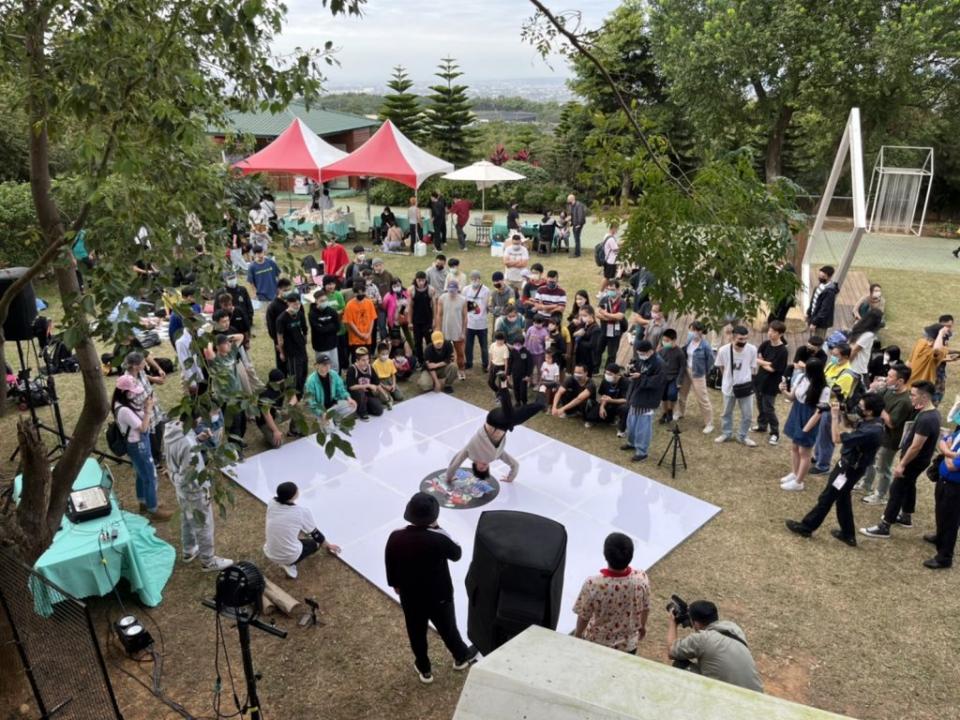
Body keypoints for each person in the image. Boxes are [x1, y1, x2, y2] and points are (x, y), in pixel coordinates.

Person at [384, 493, 478, 684]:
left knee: (416, 632)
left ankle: (424, 668)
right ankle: (461, 657)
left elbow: (390, 563)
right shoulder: (439, 538)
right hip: (439, 595)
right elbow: (457, 554)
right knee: (448, 628)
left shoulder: (395, 536)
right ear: (434, 516)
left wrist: (395, 584)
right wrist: (438, 528)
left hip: (410, 596)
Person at [786, 393, 885, 545]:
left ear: (870, 411)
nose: (858, 408)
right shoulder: (872, 422)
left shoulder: (871, 431)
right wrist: (841, 412)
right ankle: (848, 534)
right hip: (850, 465)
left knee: (827, 497)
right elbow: (850, 425)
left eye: (861, 407)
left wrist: (833, 417)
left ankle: (806, 527)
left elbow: (836, 439)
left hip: (848, 470)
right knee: (842, 499)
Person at [862, 380, 941, 539]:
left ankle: (885, 525)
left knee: (896, 489)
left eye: (913, 395)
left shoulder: (926, 419)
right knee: (909, 485)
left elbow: (916, 446)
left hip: (914, 460)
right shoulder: (932, 413)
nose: (910, 397)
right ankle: (906, 516)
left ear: (924, 397)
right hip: (920, 460)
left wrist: (902, 464)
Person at [163, 416, 233, 570]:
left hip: (182, 490)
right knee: (204, 524)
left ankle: (189, 550)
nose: (201, 421)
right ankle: (208, 561)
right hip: (193, 490)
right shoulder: (188, 445)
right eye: (199, 418)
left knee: (187, 518)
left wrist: (198, 439)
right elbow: (189, 476)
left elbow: (182, 449)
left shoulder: (173, 428)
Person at [445, 385, 542, 484]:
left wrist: (449, 477)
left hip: (494, 420)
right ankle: (543, 389)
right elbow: (515, 464)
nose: (484, 465)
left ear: (475, 465)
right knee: (537, 406)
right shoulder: (497, 454)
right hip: (506, 424)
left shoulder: (470, 451)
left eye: (481, 467)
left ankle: (503, 387)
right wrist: (510, 478)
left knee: (509, 417)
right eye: (485, 467)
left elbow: (456, 461)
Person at [573, 532, 650, 654]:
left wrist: (577, 635)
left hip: (596, 642)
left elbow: (584, 615)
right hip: (628, 645)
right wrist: (642, 626)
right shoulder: (641, 579)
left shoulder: (593, 584)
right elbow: (645, 608)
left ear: (605, 555)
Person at [667, 600, 763, 693]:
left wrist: (673, 623)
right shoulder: (734, 629)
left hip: (730, 698)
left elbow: (672, 651)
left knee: (680, 664)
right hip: (757, 696)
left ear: (695, 624)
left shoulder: (702, 638)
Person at [113, 375, 172, 521]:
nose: (136, 394)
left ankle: (144, 502)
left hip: (136, 444)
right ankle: (153, 509)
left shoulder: (123, 403)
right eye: (133, 391)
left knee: (141, 474)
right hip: (138, 445)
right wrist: (148, 410)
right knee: (150, 476)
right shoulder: (124, 410)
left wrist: (146, 406)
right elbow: (143, 428)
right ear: (125, 393)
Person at [263, 481, 341, 580]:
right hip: (288, 556)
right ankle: (289, 565)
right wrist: (329, 545)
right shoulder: (301, 512)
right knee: (315, 544)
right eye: (297, 490)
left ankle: (286, 560)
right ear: (293, 496)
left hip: (269, 551)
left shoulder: (271, 503)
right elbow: (315, 534)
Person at [860, 364, 914, 505]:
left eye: (890, 377)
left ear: (900, 381)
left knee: (883, 467)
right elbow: (873, 400)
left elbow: (891, 423)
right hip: (878, 433)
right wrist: (873, 389)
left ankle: (881, 495)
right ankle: (866, 483)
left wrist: (879, 407)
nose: (887, 379)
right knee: (870, 460)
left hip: (890, 439)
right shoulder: (889, 391)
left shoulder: (904, 401)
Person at [780, 359, 830, 492]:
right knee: (794, 446)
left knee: (804, 451)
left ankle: (799, 482)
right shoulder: (802, 378)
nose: (804, 371)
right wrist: (783, 390)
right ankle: (795, 472)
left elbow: (819, 413)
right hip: (796, 412)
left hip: (809, 418)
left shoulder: (824, 389)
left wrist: (806, 429)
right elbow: (792, 397)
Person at [810, 342, 858, 475]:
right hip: (822, 403)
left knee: (826, 436)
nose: (832, 357)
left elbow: (834, 392)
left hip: (832, 409)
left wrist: (819, 386)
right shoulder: (833, 364)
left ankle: (823, 465)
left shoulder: (847, 374)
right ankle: (817, 456)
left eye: (836, 355)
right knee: (820, 432)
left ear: (846, 357)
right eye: (832, 354)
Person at [622, 341, 666, 461]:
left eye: (642, 353)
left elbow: (657, 382)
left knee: (643, 427)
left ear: (650, 351)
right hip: (636, 395)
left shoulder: (659, 364)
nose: (640, 355)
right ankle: (631, 443)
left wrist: (640, 377)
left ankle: (642, 452)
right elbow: (636, 370)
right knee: (631, 423)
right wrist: (630, 371)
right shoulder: (641, 359)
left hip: (647, 399)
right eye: (638, 353)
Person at [714, 325, 758, 446]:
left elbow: (753, 368)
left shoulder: (752, 349)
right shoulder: (723, 350)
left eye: (745, 339)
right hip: (729, 386)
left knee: (748, 414)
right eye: (740, 339)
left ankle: (742, 436)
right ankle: (726, 433)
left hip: (746, 387)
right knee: (727, 412)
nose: (743, 342)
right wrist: (728, 379)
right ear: (733, 338)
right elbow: (721, 367)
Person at [924, 428, 960, 569]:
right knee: (941, 512)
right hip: (944, 481)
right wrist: (950, 451)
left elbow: (952, 466)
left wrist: (946, 451)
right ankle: (940, 537)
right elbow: (943, 441)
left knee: (950, 520)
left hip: (956, 487)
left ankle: (944, 557)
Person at [752, 320, 789, 445]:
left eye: (773, 332)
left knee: (769, 408)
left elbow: (773, 369)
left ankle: (774, 433)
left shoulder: (783, 351)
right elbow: (758, 358)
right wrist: (766, 363)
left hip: (772, 383)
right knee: (760, 405)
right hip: (760, 379)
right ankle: (762, 425)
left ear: (780, 334)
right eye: (769, 330)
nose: (770, 333)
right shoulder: (766, 344)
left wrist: (763, 363)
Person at [677, 321, 715, 434]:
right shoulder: (689, 341)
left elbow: (711, 361)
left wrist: (704, 371)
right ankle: (680, 412)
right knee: (682, 393)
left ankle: (709, 423)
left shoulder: (705, 346)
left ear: (699, 331)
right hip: (686, 371)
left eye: (692, 330)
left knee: (702, 398)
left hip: (698, 373)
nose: (690, 332)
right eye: (690, 330)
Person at [304, 354, 356, 422]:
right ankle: (324, 419)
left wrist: (348, 398)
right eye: (324, 365)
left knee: (352, 406)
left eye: (329, 364)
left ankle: (335, 419)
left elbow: (341, 389)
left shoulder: (333, 374)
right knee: (329, 431)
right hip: (321, 410)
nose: (327, 367)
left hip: (333, 405)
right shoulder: (311, 381)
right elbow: (311, 402)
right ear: (317, 365)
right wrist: (321, 413)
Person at [275, 291, 309, 395]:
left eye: (299, 304)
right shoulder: (281, 319)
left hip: (301, 347)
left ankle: (302, 391)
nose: (297, 306)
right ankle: (295, 395)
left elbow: (305, 329)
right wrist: (281, 352)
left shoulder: (300, 314)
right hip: (291, 350)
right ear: (288, 303)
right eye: (294, 304)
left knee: (304, 371)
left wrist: (304, 340)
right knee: (295, 374)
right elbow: (279, 337)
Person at [588, 362, 629, 433]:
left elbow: (626, 399)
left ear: (617, 374)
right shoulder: (605, 381)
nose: (607, 375)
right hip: (607, 403)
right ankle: (610, 419)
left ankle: (622, 427)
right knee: (591, 417)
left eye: (610, 374)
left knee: (625, 409)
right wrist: (602, 407)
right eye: (606, 373)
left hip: (619, 404)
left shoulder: (626, 382)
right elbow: (603, 396)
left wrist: (612, 400)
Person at [308, 288, 342, 375]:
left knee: (335, 366)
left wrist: (325, 327)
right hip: (320, 346)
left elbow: (337, 327)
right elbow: (319, 330)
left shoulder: (332, 311)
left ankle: (335, 383)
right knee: (323, 368)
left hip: (333, 344)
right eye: (322, 300)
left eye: (325, 300)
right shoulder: (312, 314)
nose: (324, 302)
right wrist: (330, 326)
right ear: (316, 301)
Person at [409, 271, 437, 368]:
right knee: (417, 342)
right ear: (415, 280)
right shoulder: (411, 290)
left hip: (427, 320)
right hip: (416, 321)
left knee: (429, 341)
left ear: (426, 280)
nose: (421, 283)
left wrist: (434, 320)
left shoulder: (431, 290)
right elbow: (410, 307)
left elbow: (434, 306)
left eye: (423, 280)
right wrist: (409, 322)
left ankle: (430, 359)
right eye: (419, 280)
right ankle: (420, 361)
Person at [343, 281, 377, 361]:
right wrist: (360, 334)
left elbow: (372, 319)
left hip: (367, 338)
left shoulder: (369, 303)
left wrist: (369, 333)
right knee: (357, 360)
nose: (360, 294)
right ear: (354, 293)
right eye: (358, 293)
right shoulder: (349, 305)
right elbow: (350, 322)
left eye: (362, 292)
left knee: (367, 359)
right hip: (355, 339)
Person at [847, 309, 883, 383]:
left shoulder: (858, 327)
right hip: (857, 367)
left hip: (852, 365)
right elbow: (855, 349)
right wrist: (847, 363)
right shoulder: (868, 335)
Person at [464, 270, 490, 372]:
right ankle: (469, 363)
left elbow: (487, 305)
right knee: (468, 346)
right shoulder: (466, 289)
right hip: (469, 323)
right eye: (473, 279)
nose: (475, 281)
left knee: (484, 346)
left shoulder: (486, 290)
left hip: (482, 324)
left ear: (480, 279)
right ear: (470, 280)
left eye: (476, 279)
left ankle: (485, 364)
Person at [597, 280, 626, 369]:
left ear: (618, 289)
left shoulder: (622, 302)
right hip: (604, 330)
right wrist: (611, 317)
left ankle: (608, 370)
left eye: (612, 289)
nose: (610, 291)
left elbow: (620, 316)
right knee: (598, 349)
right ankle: (595, 368)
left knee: (612, 354)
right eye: (608, 289)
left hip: (615, 332)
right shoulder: (604, 299)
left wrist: (605, 314)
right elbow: (597, 313)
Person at [658, 329, 685, 425]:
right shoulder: (661, 351)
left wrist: (679, 381)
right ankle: (664, 413)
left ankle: (670, 410)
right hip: (663, 378)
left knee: (672, 394)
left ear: (674, 340)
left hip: (673, 378)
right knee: (663, 396)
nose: (665, 342)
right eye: (664, 340)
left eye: (667, 340)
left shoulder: (680, 352)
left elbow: (682, 367)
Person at [256, 369, 289, 448]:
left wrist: (290, 405)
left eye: (283, 381)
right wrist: (276, 431)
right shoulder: (265, 394)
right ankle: (267, 433)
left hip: (276, 414)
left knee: (295, 411)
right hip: (264, 421)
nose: (282, 383)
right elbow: (267, 415)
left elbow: (293, 396)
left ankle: (294, 430)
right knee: (278, 443)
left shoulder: (281, 387)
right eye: (280, 382)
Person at [265, 278, 293, 371]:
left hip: (293, 337)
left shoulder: (292, 302)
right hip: (280, 339)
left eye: (289, 289)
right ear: (278, 290)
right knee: (282, 362)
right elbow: (271, 327)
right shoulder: (273, 306)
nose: (288, 292)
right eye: (285, 290)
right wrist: (277, 343)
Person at [806, 265, 838, 334]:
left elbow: (824, 310)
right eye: (820, 276)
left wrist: (814, 323)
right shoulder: (820, 285)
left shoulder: (830, 292)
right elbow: (813, 301)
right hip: (813, 317)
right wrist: (808, 313)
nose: (820, 278)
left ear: (829, 277)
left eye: (823, 277)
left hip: (820, 323)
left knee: (818, 341)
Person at [573, 305, 603, 376]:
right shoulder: (584, 324)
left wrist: (580, 340)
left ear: (591, 315)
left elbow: (592, 345)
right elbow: (573, 334)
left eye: (585, 315)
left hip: (588, 359)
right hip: (580, 356)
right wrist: (576, 333)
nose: (582, 317)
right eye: (581, 315)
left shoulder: (596, 329)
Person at [507, 337, 533, 405]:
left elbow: (530, 364)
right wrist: (508, 374)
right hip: (515, 374)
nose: (517, 346)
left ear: (522, 344)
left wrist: (528, 375)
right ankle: (517, 401)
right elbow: (509, 363)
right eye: (515, 344)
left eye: (518, 344)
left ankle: (524, 402)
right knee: (516, 388)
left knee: (523, 390)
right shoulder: (513, 352)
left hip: (523, 375)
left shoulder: (526, 352)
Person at [599, 222, 620, 289]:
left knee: (609, 278)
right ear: (613, 228)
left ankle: (606, 290)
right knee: (607, 278)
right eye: (616, 229)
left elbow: (615, 245)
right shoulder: (611, 239)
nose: (617, 231)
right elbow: (616, 249)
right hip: (611, 261)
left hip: (608, 260)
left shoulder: (607, 236)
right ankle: (600, 292)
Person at [567, 193, 587, 258]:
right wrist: (571, 222)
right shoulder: (571, 206)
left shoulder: (579, 205)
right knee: (576, 238)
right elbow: (572, 215)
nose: (567, 200)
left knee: (577, 238)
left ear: (572, 199)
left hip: (578, 224)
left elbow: (581, 216)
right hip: (575, 224)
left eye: (568, 199)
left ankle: (577, 253)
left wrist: (579, 224)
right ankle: (576, 252)